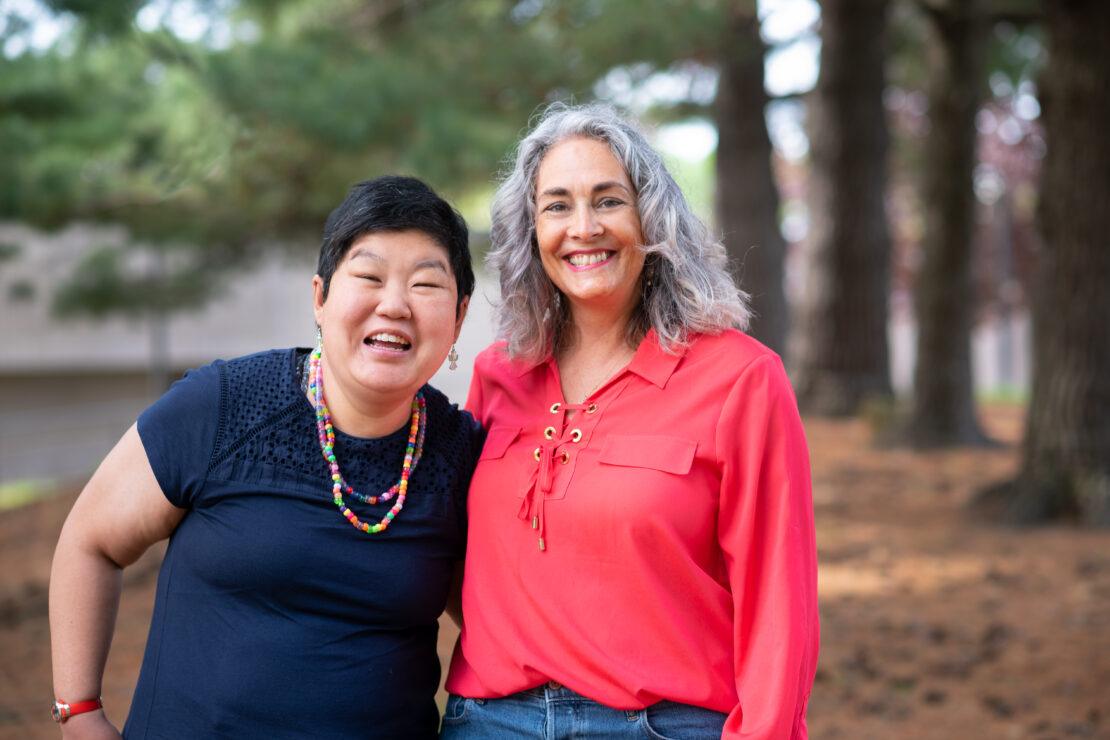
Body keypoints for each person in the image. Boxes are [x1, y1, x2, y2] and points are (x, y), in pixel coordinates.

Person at [48, 175, 482, 739]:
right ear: (321, 298)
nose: (394, 305)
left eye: (426, 285)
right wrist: (79, 714)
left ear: (459, 317)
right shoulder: (223, 406)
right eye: (369, 276)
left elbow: (494, 619)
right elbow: (91, 542)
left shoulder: (460, 454)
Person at [442, 104, 819, 739]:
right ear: (530, 231)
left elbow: (778, 605)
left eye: (608, 200)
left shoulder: (740, 378)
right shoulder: (498, 374)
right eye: (556, 206)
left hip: (660, 726)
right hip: (488, 722)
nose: (582, 228)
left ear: (651, 218)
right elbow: (456, 557)